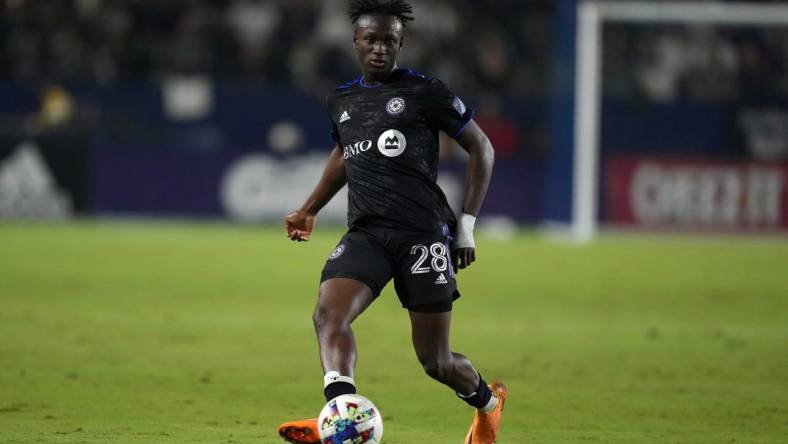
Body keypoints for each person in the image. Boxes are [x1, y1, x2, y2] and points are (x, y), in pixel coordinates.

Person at [277, 1, 505, 443]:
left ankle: (489, 404)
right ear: (356, 42)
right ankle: (340, 415)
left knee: (435, 362)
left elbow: (483, 148)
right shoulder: (340, 99)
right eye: (371, 40)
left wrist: (467, 226)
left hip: (422, 236)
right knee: (329, 315)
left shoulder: (425, 91)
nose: (379, 48)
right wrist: (309, 208)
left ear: (400, 44)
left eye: (389, 41)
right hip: (367, 232)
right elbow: (346, 152)